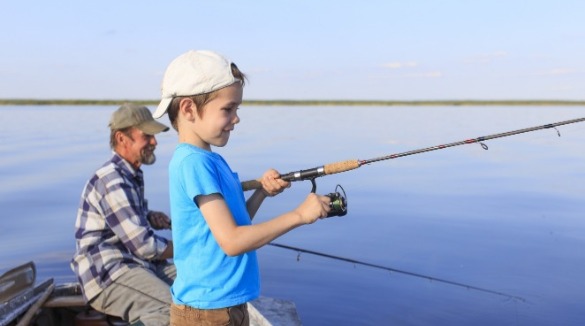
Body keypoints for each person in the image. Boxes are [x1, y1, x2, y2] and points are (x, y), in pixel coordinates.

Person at [153, 50, 331, 326]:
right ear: (188, 109)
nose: (236, 118)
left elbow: (237, 224)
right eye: (228, 109)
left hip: (224, 305)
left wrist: (261, 191)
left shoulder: (211, 160)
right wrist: (299, 215)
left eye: (237, 109)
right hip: (205, 313)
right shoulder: (193, 164)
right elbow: (233, 241)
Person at [71, 103, 176, 326]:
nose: (154, 142)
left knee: (198, 282)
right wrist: (188, 246)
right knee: (171, 310)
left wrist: (148, 216)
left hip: (135, 263)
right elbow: (145, 246)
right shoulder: (112, 180)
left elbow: (125, 221)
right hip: (107, 273)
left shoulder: (130, 175)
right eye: (147, 136)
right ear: (122, 138)